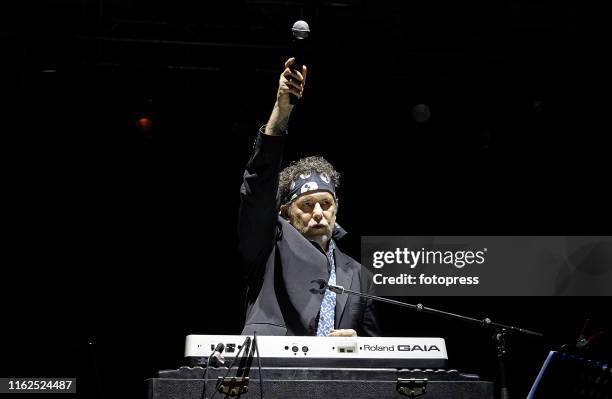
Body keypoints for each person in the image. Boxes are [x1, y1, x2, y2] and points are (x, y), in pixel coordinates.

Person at [238, 58, 380, 337]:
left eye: (325, 204)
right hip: (270, 374)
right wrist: (281, 112)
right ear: (284, 212)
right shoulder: (267, 247)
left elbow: (374, 353)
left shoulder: (359, 274)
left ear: (336, 211)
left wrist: (356, 345)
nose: (318, 212)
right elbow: (257, 189)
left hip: (333, 380)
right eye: (306, 205)